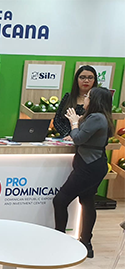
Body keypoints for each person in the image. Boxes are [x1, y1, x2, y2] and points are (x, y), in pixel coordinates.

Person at [52, 87, 114, 259]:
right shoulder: (101, 117)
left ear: (95, 100)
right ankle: (86, 243)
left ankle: (60, 240)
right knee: (87, 201)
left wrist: (74, 123)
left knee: (60, 200)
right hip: (94, 165)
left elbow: (79, 138)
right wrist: (76, 129)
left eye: (88, 96)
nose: (85, 98)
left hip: (88, 167)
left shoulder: (96, 118)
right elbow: (82, 137)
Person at [54, 65, 98, 139]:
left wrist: (77, 135)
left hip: (86, 140)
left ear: (95, 80)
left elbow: (95, 124)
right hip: (66, 139)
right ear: (76, 79)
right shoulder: (68, 97)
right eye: (82, 77)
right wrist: (68, 134)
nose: (86, 81)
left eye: (90, 77)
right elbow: (57, 120)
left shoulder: (97, 100)